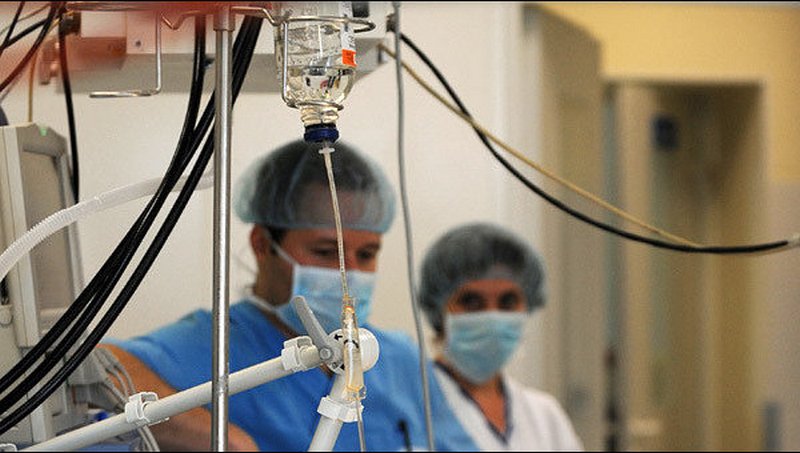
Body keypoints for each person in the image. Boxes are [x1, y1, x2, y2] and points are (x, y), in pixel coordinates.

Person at [100, 140, 478, 452]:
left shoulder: (398, 361)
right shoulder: (211, 347)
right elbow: (95, 369)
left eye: (366, 255)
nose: (349, 274)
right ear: (263, 245)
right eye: (327, 252)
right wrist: (226, 439)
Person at [418, 222, 583, 451]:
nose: (492, 316)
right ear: (439, 312)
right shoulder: (412, 409)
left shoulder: (545, 416)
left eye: (508, 301)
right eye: (472, 301)